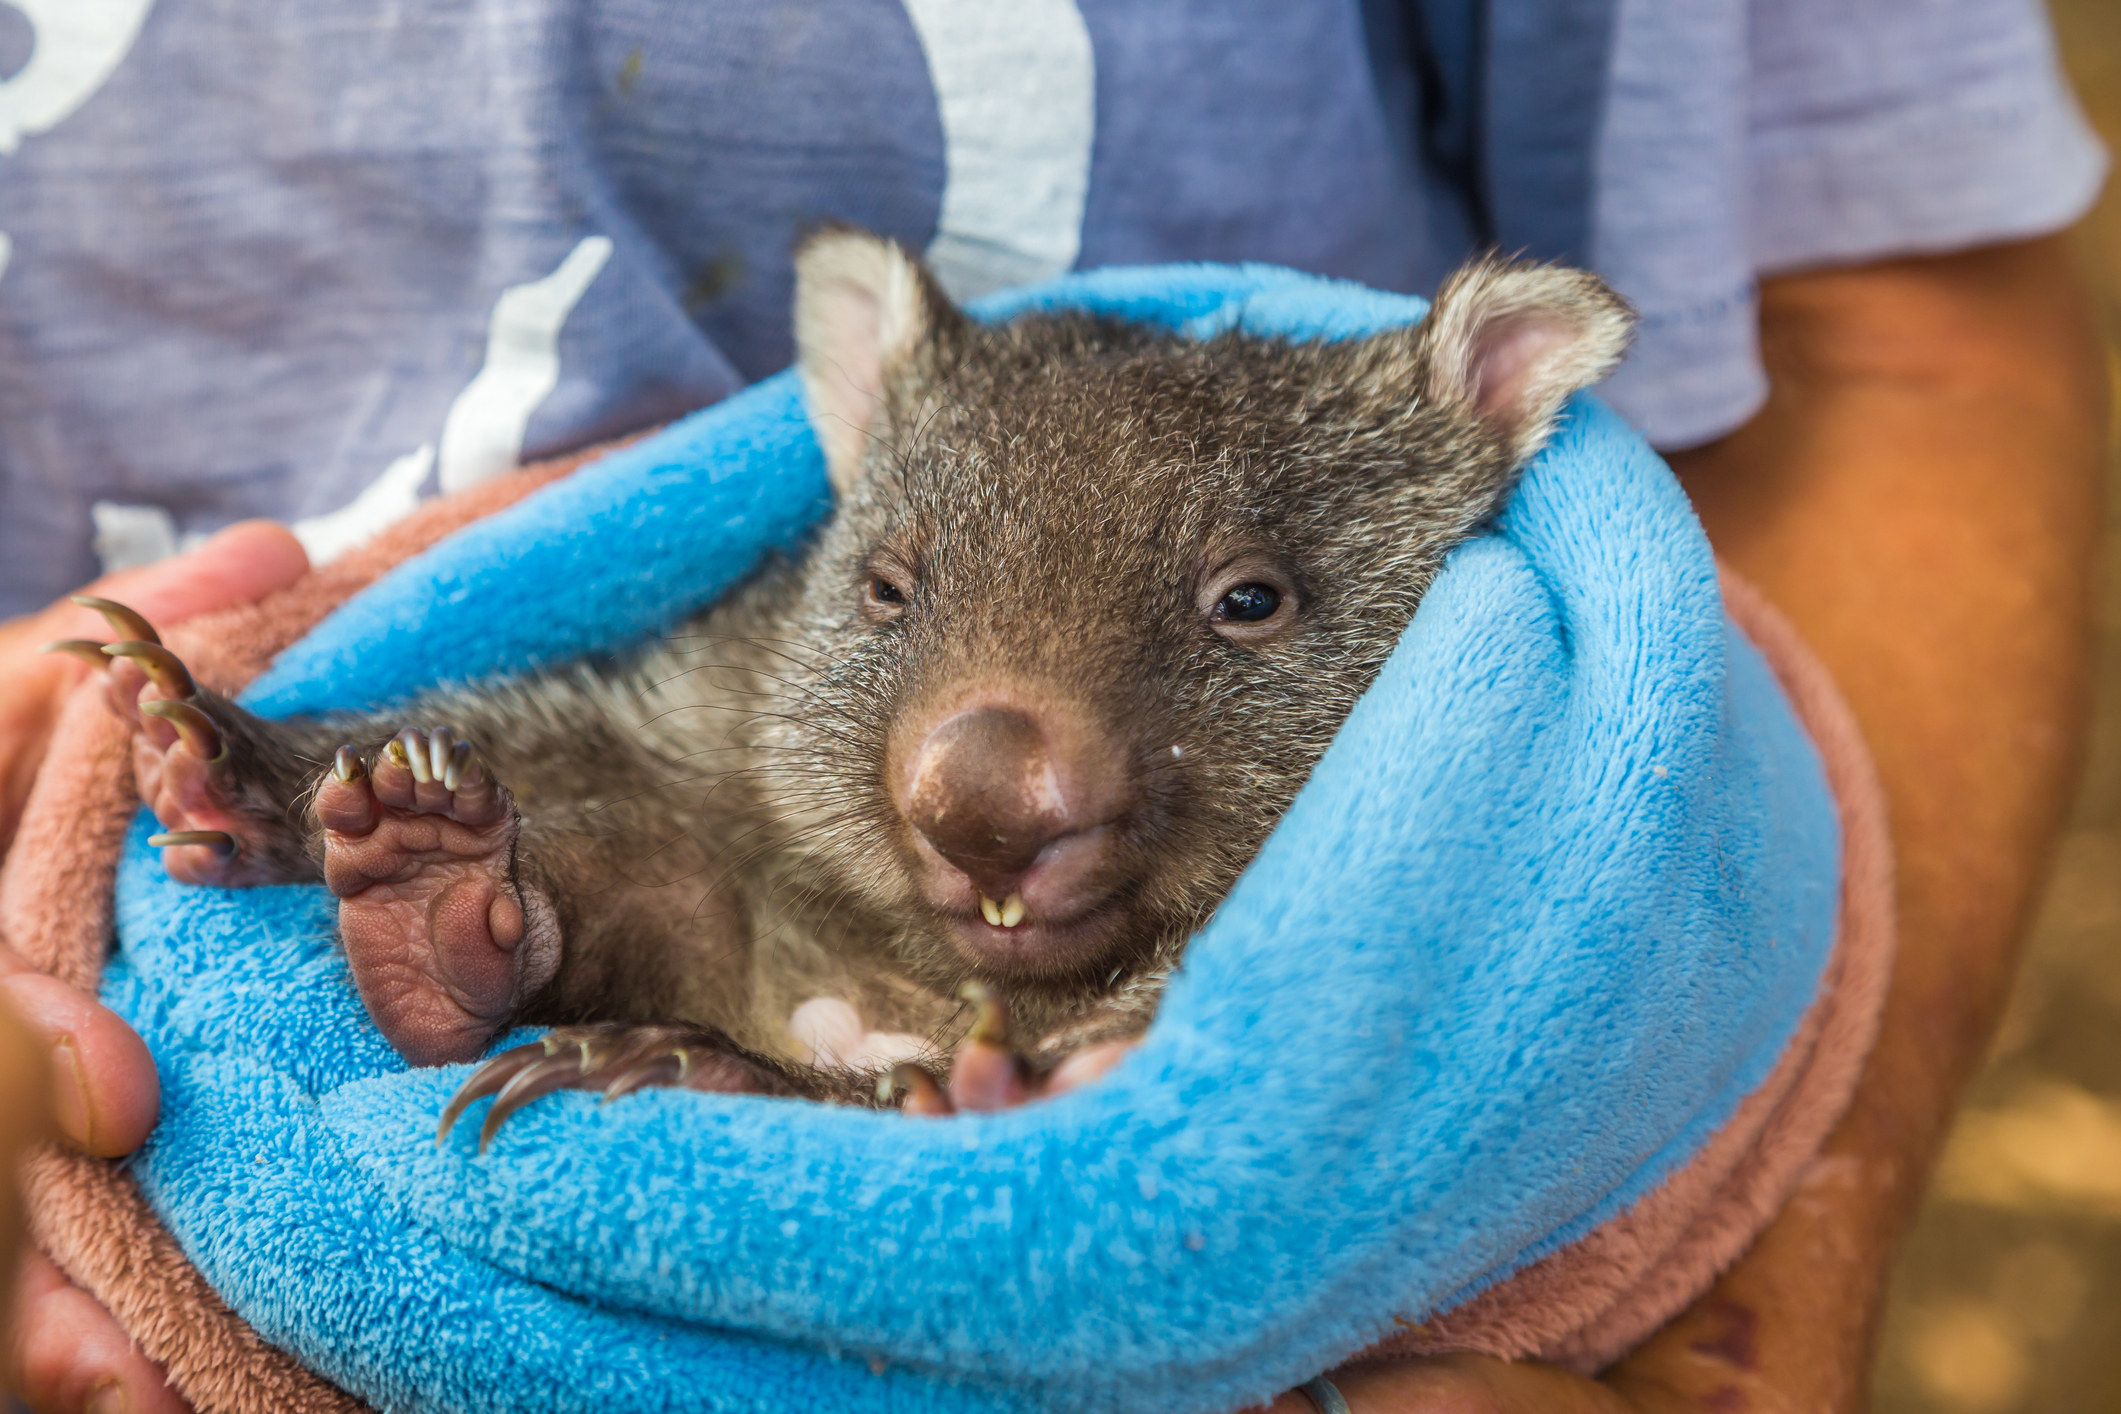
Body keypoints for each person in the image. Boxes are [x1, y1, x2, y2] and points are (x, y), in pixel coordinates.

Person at [0, 1, 2107, 1410]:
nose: (1001, 759)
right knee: (586, 797)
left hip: (1170, 1028)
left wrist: (1741, 1275)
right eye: (912, 597)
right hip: (555, 949)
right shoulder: (826, 593)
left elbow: (1884, 333)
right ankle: (503, 931)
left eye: (1249, 605)